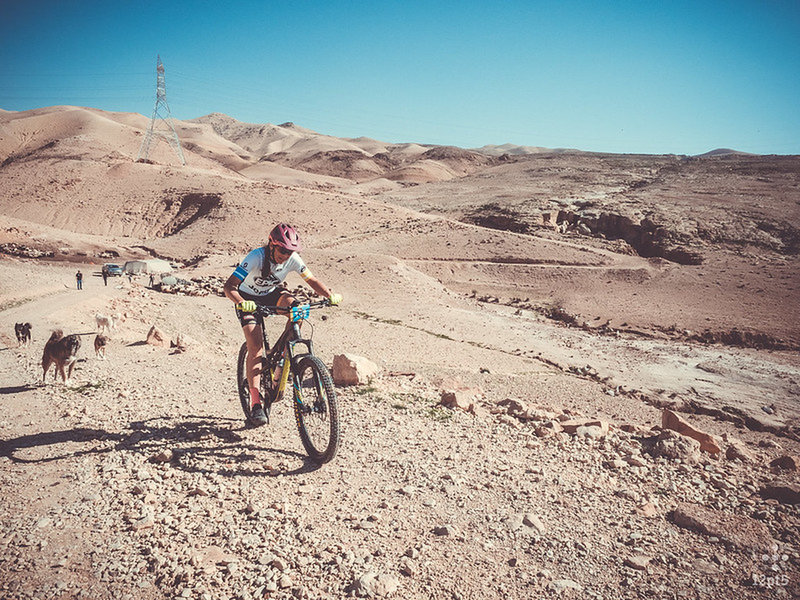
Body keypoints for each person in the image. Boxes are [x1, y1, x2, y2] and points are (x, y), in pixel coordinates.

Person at [223, 223, 342, 427]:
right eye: (282, 250)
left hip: (270, 294)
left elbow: (311, 280)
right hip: (246, 298)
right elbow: (229, 286)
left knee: (298, 310)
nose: (286, 255)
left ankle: (282, 361)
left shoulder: (292, 259)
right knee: (256, 347)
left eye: (290, 252)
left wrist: (329, 296)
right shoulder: (255, 257)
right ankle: (255, 402)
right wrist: (242, 303)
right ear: (271, 244)